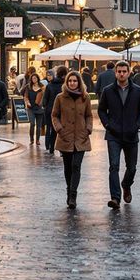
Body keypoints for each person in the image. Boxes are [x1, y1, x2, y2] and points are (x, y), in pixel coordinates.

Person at [98, 60, 140, 210]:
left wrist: (137, 125)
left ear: (129, 73)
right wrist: (108, 125)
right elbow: (101, 110)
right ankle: (115, 197)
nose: (121, 74)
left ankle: (126, 184)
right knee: (113, 166)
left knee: (131, 168)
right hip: (113, 134)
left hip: (131, 133)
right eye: (119, 71)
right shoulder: (108, 90)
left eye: (124, 71)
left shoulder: (137, 90)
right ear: (115, 73)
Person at [51, 70, 93, 209]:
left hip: (81, 137)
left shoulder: (85, 97)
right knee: (68, 167)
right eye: (70, 81)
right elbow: (54, 115)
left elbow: (89, 115)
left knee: (76, 166)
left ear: (79, 82)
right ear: (66, 82)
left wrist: (88, 129)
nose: (72, 83)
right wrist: (59, 129)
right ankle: (69, 191)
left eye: (75, 81)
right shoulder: (60, 97)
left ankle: (73, 195)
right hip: (65, 136)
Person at [42, 66, 66, 155]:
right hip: (63, 111)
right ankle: (62, 150)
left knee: (51, 129)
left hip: (50, 110)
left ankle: (51, 147)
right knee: (61, 130)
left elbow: (45, 100)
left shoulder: (50, 85)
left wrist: (45, 107)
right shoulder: (65, 86)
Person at [24, 69, 46, 145]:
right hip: (30, 108)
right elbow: (26, 96)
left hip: (39, 108)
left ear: (38, 79)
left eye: (35, 78)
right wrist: (27, 102)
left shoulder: (42, 88)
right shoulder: (28, 87)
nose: (34, 79)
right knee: (32, 123)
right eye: (33, 78)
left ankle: (37, 140)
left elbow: (45, 97)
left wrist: (43, 104)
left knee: (39, 126)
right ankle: (31, 139)